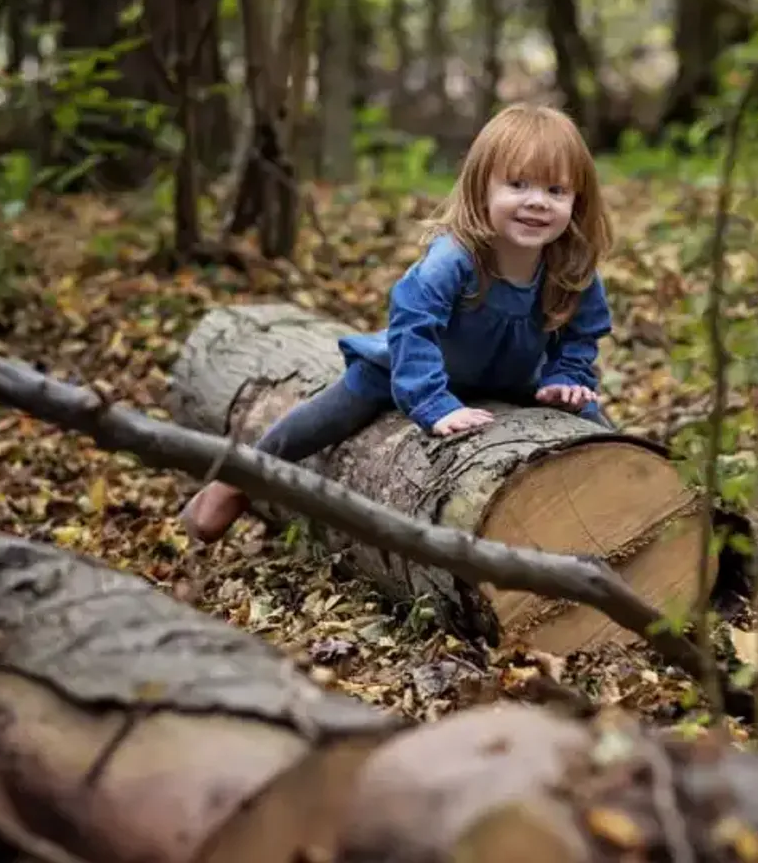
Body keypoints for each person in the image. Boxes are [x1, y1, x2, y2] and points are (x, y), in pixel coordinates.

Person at [180, 103, 615, 544]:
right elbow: (412, 324)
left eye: (556, 190)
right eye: (518, 184)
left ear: (577, 201)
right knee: (328, 415)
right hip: (409, 368)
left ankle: (626, 501)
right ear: (481, 186)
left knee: (596, 424)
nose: (537, 201)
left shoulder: (570, 267)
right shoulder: (456, 258)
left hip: (514, 378)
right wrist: (433, 403)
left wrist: (566, 377)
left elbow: (582, 333)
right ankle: (237, 478)